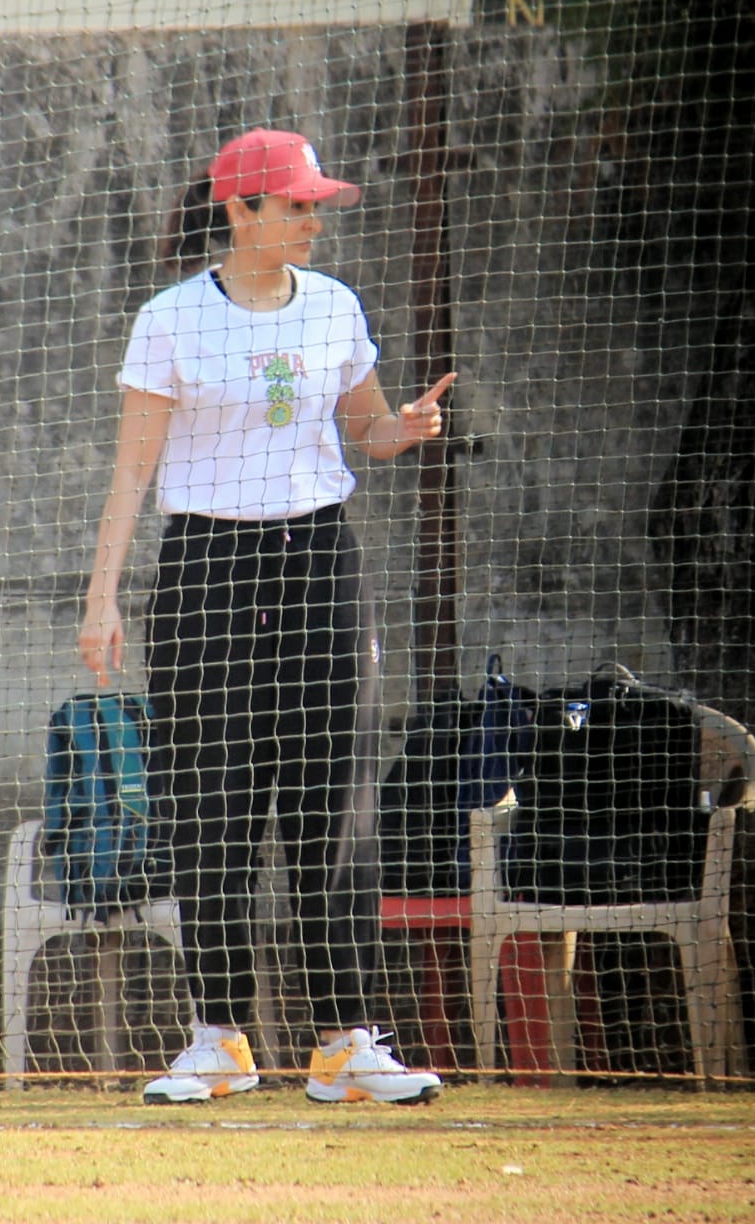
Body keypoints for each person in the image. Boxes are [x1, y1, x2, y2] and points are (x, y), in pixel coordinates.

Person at [79, 128, 455, 1105]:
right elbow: (131, 468)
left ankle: (346, 1043)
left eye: (314, 203)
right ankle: (219, 1037)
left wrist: (402, 428)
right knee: (212, 804)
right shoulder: (170, 319)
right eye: (293, 203)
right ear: (239, 210)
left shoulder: (334, 307)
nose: (311, 218)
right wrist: (101, 596)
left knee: (334, 800)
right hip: (206, 566)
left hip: (319, 561)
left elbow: (365, 430)